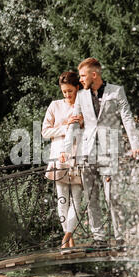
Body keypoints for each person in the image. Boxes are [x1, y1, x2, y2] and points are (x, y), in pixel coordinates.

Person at [61, 57, 139, 248]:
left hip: (111, 151)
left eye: (83, 75)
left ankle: (120, 236)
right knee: (91, 198)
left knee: (111, 196)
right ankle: (99, 238)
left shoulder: (116, 91)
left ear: (94, 74)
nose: (80, 79)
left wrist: (135, 145)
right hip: (87, 153)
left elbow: (127, 119)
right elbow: (74, 123)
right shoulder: (81, 96)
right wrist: (67, 151)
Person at [42, 71, 84, 250]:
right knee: (62, 200)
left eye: (70, 91)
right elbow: (45, 132)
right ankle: (69, 237)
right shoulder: (55, 105)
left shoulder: (84, 106)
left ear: (77, 88)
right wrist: (65, 127)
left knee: (76, 201)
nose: (67, 95)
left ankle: (67, 235)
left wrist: (82, 123)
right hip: (59, 158)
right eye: (64, 91)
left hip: (79, 158)